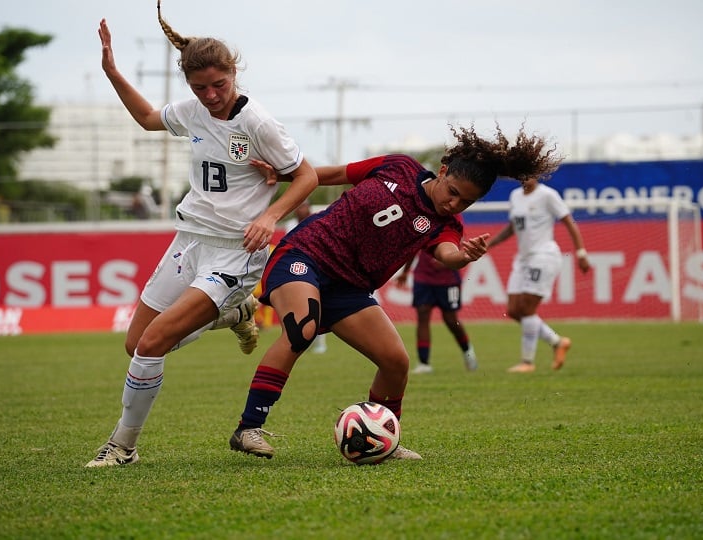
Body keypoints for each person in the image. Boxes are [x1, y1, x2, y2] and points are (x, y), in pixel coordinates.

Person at [228, 124, 563, 461]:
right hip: (306, 254)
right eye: (453, 191)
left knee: (396, 362)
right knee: (303, 329)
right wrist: (285, 175)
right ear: (443, 171)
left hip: (349, 286)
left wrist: (464, 255)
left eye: (466, 201)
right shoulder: (399, 167)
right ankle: (249, 428)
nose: (454, 203)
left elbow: (448, 254)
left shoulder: (445, 225)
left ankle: (382, 439)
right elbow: (335, 174)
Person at [85, 2, 318, 467]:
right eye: (200, 87)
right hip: (188, 241)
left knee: (152, 345)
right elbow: (150, 118)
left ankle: (122, 447)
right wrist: (112, 72)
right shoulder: (192, 111)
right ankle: (236, 316)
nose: (211, 95)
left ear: (234, 72)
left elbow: (307, 175)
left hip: (234, 255)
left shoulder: (258, 123)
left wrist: (271, 217)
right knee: (137, 346)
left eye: (219, 84)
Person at [486, 170, 590, 373]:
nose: (527, 177)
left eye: (531, 173)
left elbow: (569, 222)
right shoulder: (515, 196)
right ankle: (557, 342)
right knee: (514, 310)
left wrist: (581, 252)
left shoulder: (547, 195)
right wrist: (490, 244)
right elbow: (513, 227)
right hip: (523, 259)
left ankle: (527, 362)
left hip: (543, 256)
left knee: (527, 308)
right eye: (523, 173)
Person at [395, 247, 477, 374]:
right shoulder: (422, 226)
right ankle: (424, 363)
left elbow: (461, 247)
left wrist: (448, 259)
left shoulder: (452, 227)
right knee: (423, 315)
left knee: (450, 319)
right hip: (423, 277)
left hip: (448, 280)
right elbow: (413, 247)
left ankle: (468, 351)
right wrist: (405, 271)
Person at [283, 199, 327, 354]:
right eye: (299, 206)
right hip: (294, 269)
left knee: (315, 306)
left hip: (315, 267)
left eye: (304, 206)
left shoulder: (317, 221)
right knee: (296, 308)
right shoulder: (289, 225)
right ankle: (297, 341)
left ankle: (320, 342)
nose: (302, 209)